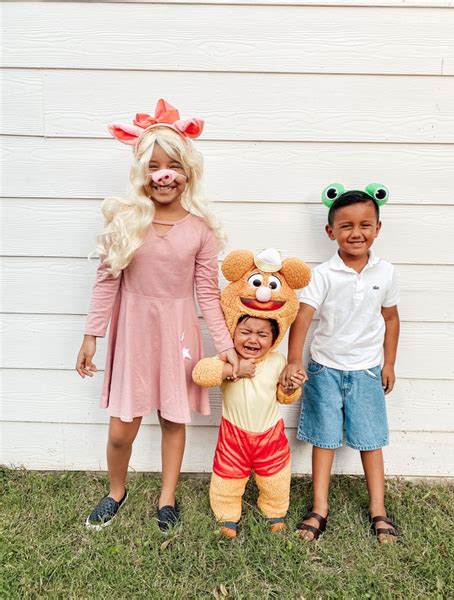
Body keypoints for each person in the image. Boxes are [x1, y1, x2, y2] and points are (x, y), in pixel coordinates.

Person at [75, 99, 238, 530]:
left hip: (179, 334)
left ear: (187, 172)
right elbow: (106, 281)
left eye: (172, 165)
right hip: (133, 331)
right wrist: (92, 334)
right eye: (153, 166)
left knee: (172, 418)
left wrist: (226, 348)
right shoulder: (126, 223)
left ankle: (167, 498)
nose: (163, 175)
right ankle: (116, 490)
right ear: (141, 173)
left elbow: (207, 292)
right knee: (120, 431)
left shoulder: (201, 231)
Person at [280, 183, 400, 544]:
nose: (356, 232)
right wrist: (293, 361)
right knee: (324, 438)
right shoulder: (323, 274)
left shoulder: (386, 272)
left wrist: (389, 363)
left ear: (377, 228)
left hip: (366, 370)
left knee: (370, 439)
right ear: (330, 231)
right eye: (345, 225)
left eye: (365, 224)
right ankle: (320, 508)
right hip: (325, 369)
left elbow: (391, 320)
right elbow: (302, 318)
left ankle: (378, 510)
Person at [192, 248, 311, 537]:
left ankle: (274, 512)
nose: (253, 339)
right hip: (234, 437)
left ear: (274, 337)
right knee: (227, 478)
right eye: (245, 332)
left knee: (275, 478)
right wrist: (233, 370)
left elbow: (284, 398)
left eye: (262, 334)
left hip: (270, 435)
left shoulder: (278, 361)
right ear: (233, 330)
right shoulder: (228, 359)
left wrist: (290, 386)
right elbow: (200, 374)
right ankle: (226, 515)